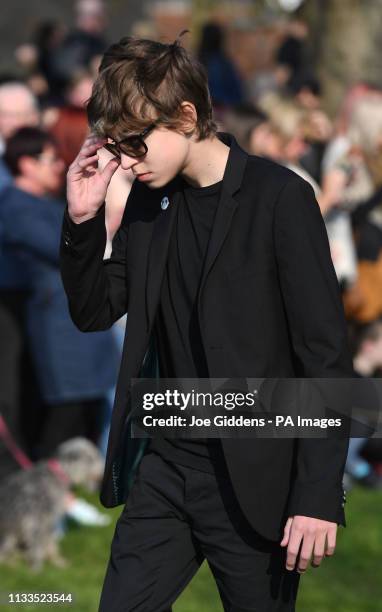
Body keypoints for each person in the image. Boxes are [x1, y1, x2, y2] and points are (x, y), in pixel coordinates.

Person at [59, 34, 354, 612]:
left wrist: (319, 494)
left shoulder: (280, 198)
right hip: (165, 465)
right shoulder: (149, 204)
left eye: (135, 143)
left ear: (187, 116)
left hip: (256, 478)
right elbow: (94, 311)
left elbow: (324, 353)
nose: (125, 161)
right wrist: (81, 220)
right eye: (116, 146)